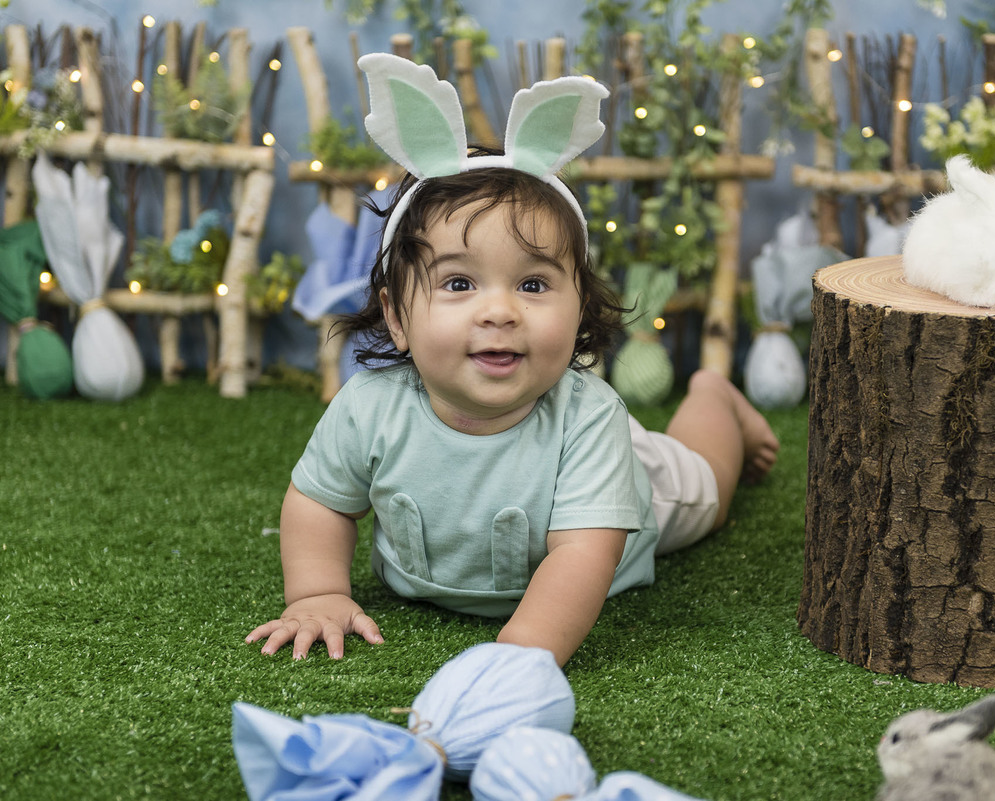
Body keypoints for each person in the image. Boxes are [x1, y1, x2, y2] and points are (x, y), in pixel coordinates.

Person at [246, 56, 778, 667]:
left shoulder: (589, 418)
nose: (498, 311)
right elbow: (320, 502)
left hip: (638, 490)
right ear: (396, 319)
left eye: (532, 286)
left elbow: (582, 554)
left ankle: (714, 395)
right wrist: (318, 594)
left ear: (579, 311)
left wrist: (523, 656)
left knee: (707, 485)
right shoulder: (368, 408)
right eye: (457, 285)